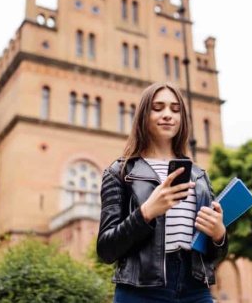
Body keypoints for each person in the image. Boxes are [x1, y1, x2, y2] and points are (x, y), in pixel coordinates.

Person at [97, 82, 228, 303]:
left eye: (175, 110)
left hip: (195, 288)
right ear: (143, 115)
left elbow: (216, 255)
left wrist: (218, 235)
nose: (168, 115)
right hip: (141, 290)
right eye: (158, 108)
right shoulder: (119, 172)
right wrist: (146, 212)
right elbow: (106, 249)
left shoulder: (199, 175)